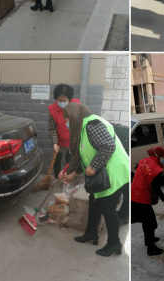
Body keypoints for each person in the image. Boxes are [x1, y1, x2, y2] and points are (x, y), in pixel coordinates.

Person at [61, 102, 129, 257]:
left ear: (74, 117)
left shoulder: (92, 125)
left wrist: (93, 166)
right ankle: (91, 233)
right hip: (102, 173)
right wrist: (69, 173)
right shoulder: (82, 128)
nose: (66, 123)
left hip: (113, 173)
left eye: (67, 119)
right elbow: (81, 156)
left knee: (108, 209)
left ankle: (114, 244)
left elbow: (107, 146)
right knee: (94, 202)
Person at [131, 146, 164, 256]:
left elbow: (138, 169)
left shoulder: (143, 161)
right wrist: (163, 198)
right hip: (142, 197)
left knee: (146, 220)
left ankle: (149, 239)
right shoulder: (157, 169)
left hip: (134, 193)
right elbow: (156, 188)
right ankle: (151, 248)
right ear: (160, 156)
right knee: (150, 222)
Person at [48, 84, 75, 178]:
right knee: (57, 161)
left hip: (72, 141)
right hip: (59, 141)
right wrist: (54, 143)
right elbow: (51, 128)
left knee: (70, 161)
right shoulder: (52, 109)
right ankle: (56, 178)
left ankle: (68, 179)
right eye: (59, 100)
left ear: (70, 99)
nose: (61, 102)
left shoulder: (76, 107)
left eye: (64, 101)